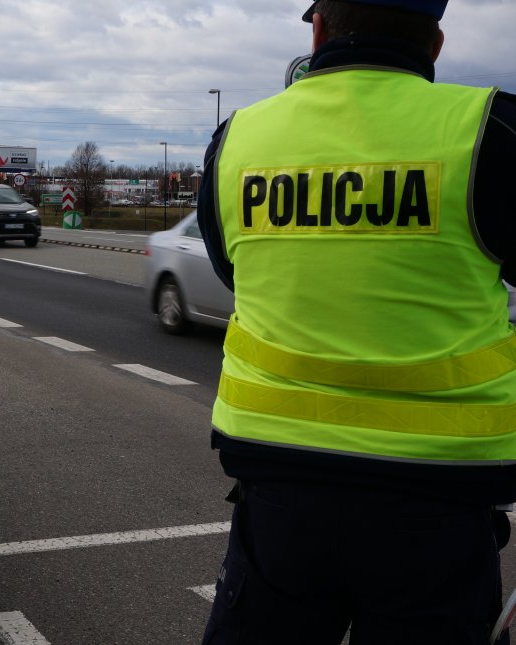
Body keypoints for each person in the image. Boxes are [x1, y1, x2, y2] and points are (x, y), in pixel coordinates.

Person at [197, 1, 516, 643]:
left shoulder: (238, 138)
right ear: (436, 43)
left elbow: (237, 273)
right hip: (439, 508)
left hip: (279, 496)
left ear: (318, 32)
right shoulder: (490, 130)